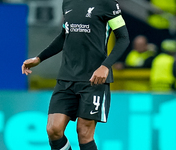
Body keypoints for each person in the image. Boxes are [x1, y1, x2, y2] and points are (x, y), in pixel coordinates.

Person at [22, 0, 129, 149]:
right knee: (53, 130)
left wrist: (105, 66)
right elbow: (64, 35)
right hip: (66, 78)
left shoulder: (107, 3)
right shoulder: (68, 3)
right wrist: (39, 58)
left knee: (84, 133)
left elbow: (123, 38)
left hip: (93, 80)